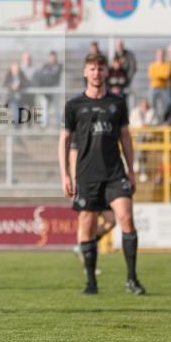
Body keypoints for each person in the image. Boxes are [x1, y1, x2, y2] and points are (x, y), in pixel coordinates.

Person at [58, 53, 144, 296]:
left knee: (126, 218)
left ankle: (132, 279)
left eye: (100, 69)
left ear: (107, 72)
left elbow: (125, 138)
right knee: (87, 225)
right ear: (86, 72)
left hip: (115, 173)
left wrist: (131, 170)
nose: (96, 73)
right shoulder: (74, 105)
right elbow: (64, 141)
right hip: (86, 175)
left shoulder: (117, 102)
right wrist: (65, 174)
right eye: (92, 69)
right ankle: (91, 283)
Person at [33, 51, 63, 128]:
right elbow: (41, 75)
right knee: (44, 106)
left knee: (57, 107)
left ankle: (59, 124)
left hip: (55, 88)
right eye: (51, 56)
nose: (52, 58)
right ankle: (43, 125)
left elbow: (54, 77)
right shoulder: (46, 65)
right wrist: (47, 76)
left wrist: (47, 76)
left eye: (54, 56)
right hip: (46, 88)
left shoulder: (59, 65)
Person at [147, 48, 171, 118]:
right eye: (159, 55)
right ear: (156, 55)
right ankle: (153, 121)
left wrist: (157, 76)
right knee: (152, 106)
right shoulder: (152, 65)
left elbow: (166, 76)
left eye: (162, 55)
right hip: (154, 88)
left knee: (167, 106)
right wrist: (161, 76)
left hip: (164, 88)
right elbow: (151, 76)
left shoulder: (167, 65)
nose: (160, 56)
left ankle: (165, 121)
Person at [3, 61, 28, 126]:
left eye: (17, 68)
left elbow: (26, 83)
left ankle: (17, 134)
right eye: (14, 69)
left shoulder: (21, 75)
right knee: (16, 116)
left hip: (21, 99)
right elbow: (5, 84)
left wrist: (19, 86)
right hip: (12, 99)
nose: (15, 70)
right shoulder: (9, 75)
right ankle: (15, 133)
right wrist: (11, 86)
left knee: (20, 117)